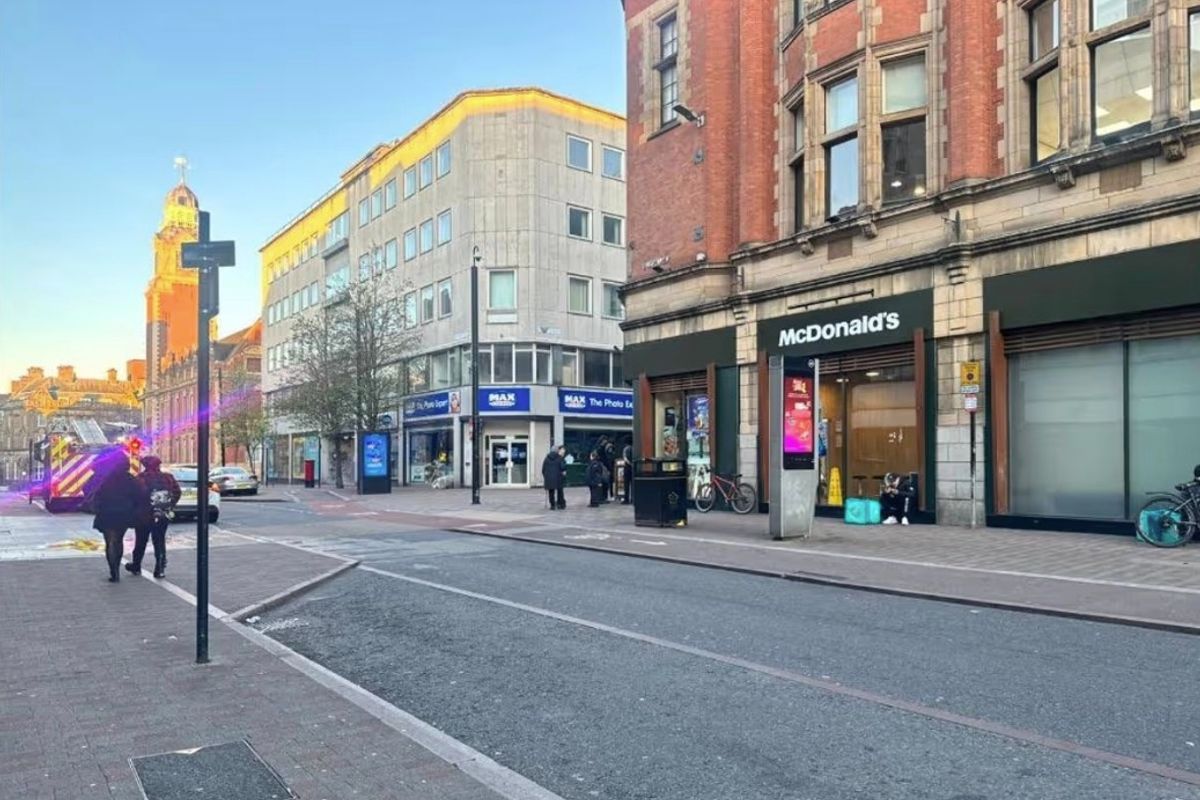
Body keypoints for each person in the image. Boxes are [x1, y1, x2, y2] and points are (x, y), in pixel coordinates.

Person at [91, 454, 146, 583]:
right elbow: (140, 496)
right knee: (118, 540)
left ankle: (113, 571)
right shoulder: (131, 479)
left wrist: (95, 506)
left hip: (106, 513)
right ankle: (116, 568)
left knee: (109, 541)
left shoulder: (104, 479)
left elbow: (92, 492)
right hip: (124, 513)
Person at [127, 456, 181, 578]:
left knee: (141, 541)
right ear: (159, 465)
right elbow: (177, 492)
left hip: (143, 515)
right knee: (159, 540)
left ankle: (136, 566)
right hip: (162, 514)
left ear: (144, 465)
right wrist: (169, 505)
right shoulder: (168, 478)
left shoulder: (140, 478)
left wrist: (136, 508)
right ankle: (160, 569)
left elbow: (133, 496)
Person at [541, 445, 567, 511]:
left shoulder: (546, 458)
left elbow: (543, 469)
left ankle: (552, 505)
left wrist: (546, 476)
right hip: (558, 478)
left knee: (551, 492)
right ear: (557, 451)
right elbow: (562, 467)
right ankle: (560, 504)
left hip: (549, 479)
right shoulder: (559, 458)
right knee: (560, 491)